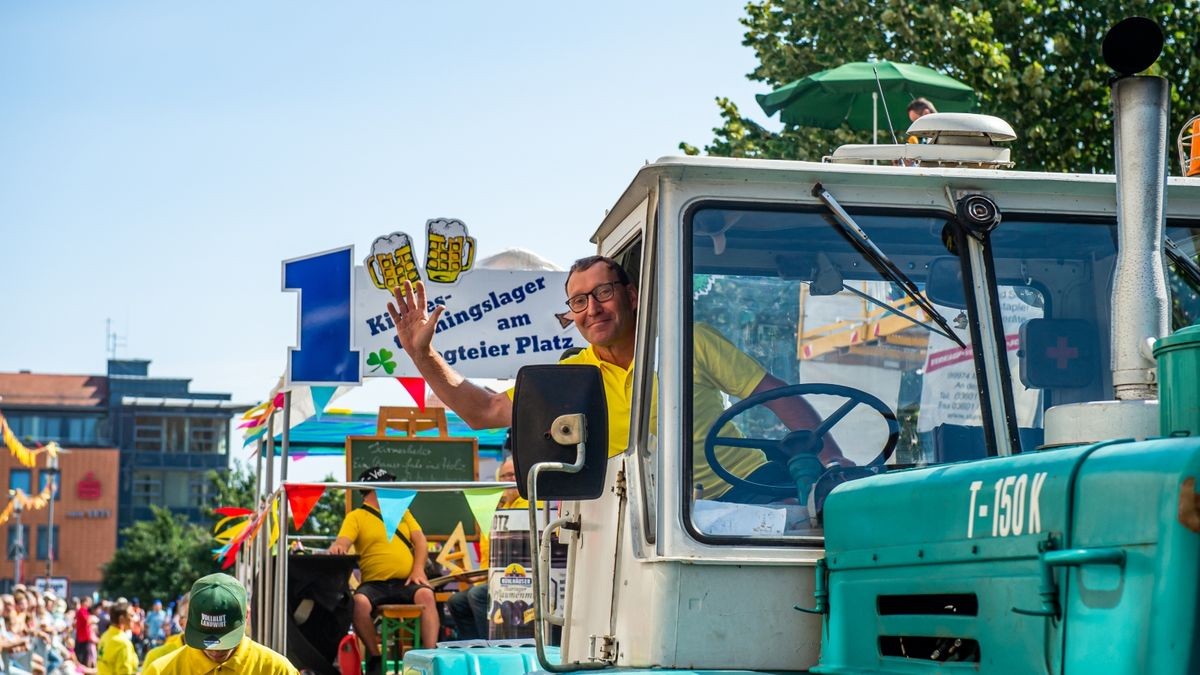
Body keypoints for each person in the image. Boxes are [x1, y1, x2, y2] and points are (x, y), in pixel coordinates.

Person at [387, 255, 847, 502]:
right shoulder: (570, 377)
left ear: (630, 295)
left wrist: (835, 465)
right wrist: (423, 354)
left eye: (602, 293)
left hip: (742, 489)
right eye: (579, 302)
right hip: (641, 516)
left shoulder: (691, 340)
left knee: (807, 519)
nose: (592, 309)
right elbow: (483, 411)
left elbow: (776, 397)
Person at [327, 467, 439, 672]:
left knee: (426, 595)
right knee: (358, 603)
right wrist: (338, 547)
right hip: (373, 585)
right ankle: (375, 657)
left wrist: (418, 570)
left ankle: (430, 657)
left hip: (407, 581)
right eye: (389, 483)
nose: (394, 488)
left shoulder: (403, 512)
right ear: (375, 488)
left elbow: (421, 542)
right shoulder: (356, 517)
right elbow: (342, 541)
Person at [140, 574, 297, 675]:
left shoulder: (277, 670)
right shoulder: (161, 671)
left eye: (225, 640)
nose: (215, 650)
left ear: (247, 616)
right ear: (185, 622)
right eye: (205, 639)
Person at [446, 456, 527, 640]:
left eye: (513, 475)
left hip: (518, 577)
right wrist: (473, 574)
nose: (509, 480)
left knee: (477, 595)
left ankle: (490, 645)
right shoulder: (500, 508)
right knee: (456, 602)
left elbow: (516, 553)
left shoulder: (528, 504)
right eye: (505, 476)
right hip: (493, 577)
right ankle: (473, 645)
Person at [140, 594, 186, 671]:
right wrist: (145, 633)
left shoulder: (164, 614)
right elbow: (146, 624)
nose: (157, 607)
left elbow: (166, 624)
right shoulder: (150, 614)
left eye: (159, 605)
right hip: (152, 636)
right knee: (154, 653)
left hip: (161, 637)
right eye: (156, 605)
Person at [96, 601, 138, 675]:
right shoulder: (123, 643)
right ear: (122, 619)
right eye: (131, 615)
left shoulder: (105, 636)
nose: (134, 619)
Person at [73, 596, 98, 668]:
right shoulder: (82, 610)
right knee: (83, 657)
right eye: (89, 601)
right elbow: (87, 621)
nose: (90, 603)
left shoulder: (84, 610)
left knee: (86, 657)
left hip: (84, 637)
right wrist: (93, 619)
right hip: (82, 638)